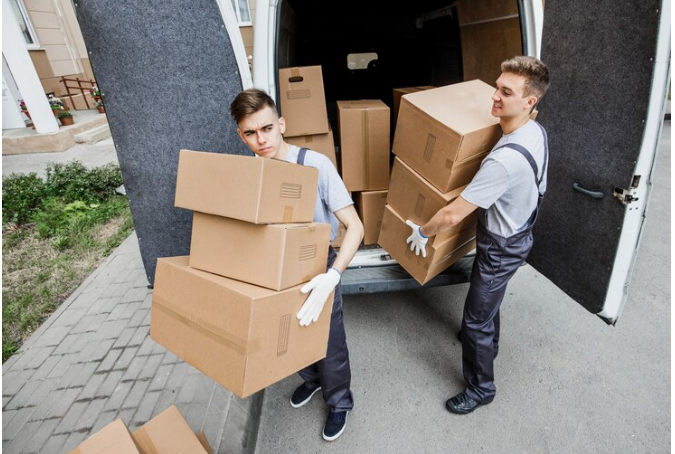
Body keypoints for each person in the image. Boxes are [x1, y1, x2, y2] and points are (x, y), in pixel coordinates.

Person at [405, 56, 550, 415]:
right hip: (517, 232)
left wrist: (422, 232)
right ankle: (491, 341)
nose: (495, 98)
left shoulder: (503, 162)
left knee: (474, 320)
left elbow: (454, 212)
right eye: (497, 87)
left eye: (506, 92)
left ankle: (480, 388)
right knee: (487, 301)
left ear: (529, 101)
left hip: (502, 246)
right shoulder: (534, 130)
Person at [230, 88, 364, 441]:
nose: (261, 140)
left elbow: (356, 227)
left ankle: (339, 402)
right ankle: (313, 381)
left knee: (328, 341)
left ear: (282, 124)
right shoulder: (249, 173)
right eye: (250, 133)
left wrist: (332, 277)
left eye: (267, 128)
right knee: (287, 335)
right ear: (240, 135)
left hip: (319, 269)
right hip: (274, 271)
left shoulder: (314, 165)